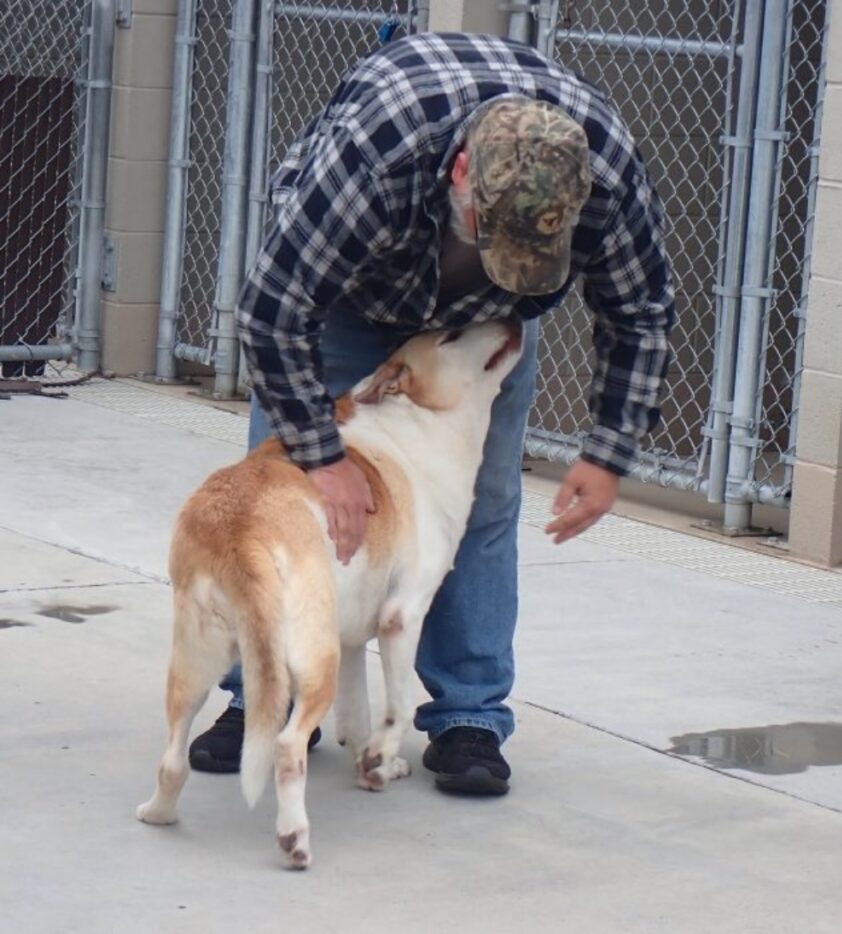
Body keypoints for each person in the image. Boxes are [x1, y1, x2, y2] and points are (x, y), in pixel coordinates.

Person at [187, 32, 674, 796]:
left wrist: (609, 453)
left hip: (481, 332)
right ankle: (267, 699)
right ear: (459, 175)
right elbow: (274, 311)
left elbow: (641, 310)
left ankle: (467, 718)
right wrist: (322, 455)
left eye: (529, 251)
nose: (502, 259)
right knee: (284, 495)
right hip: (352, 295)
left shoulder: (603, 171)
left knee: (481, 505)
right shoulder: (380, 152)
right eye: (494, 239)